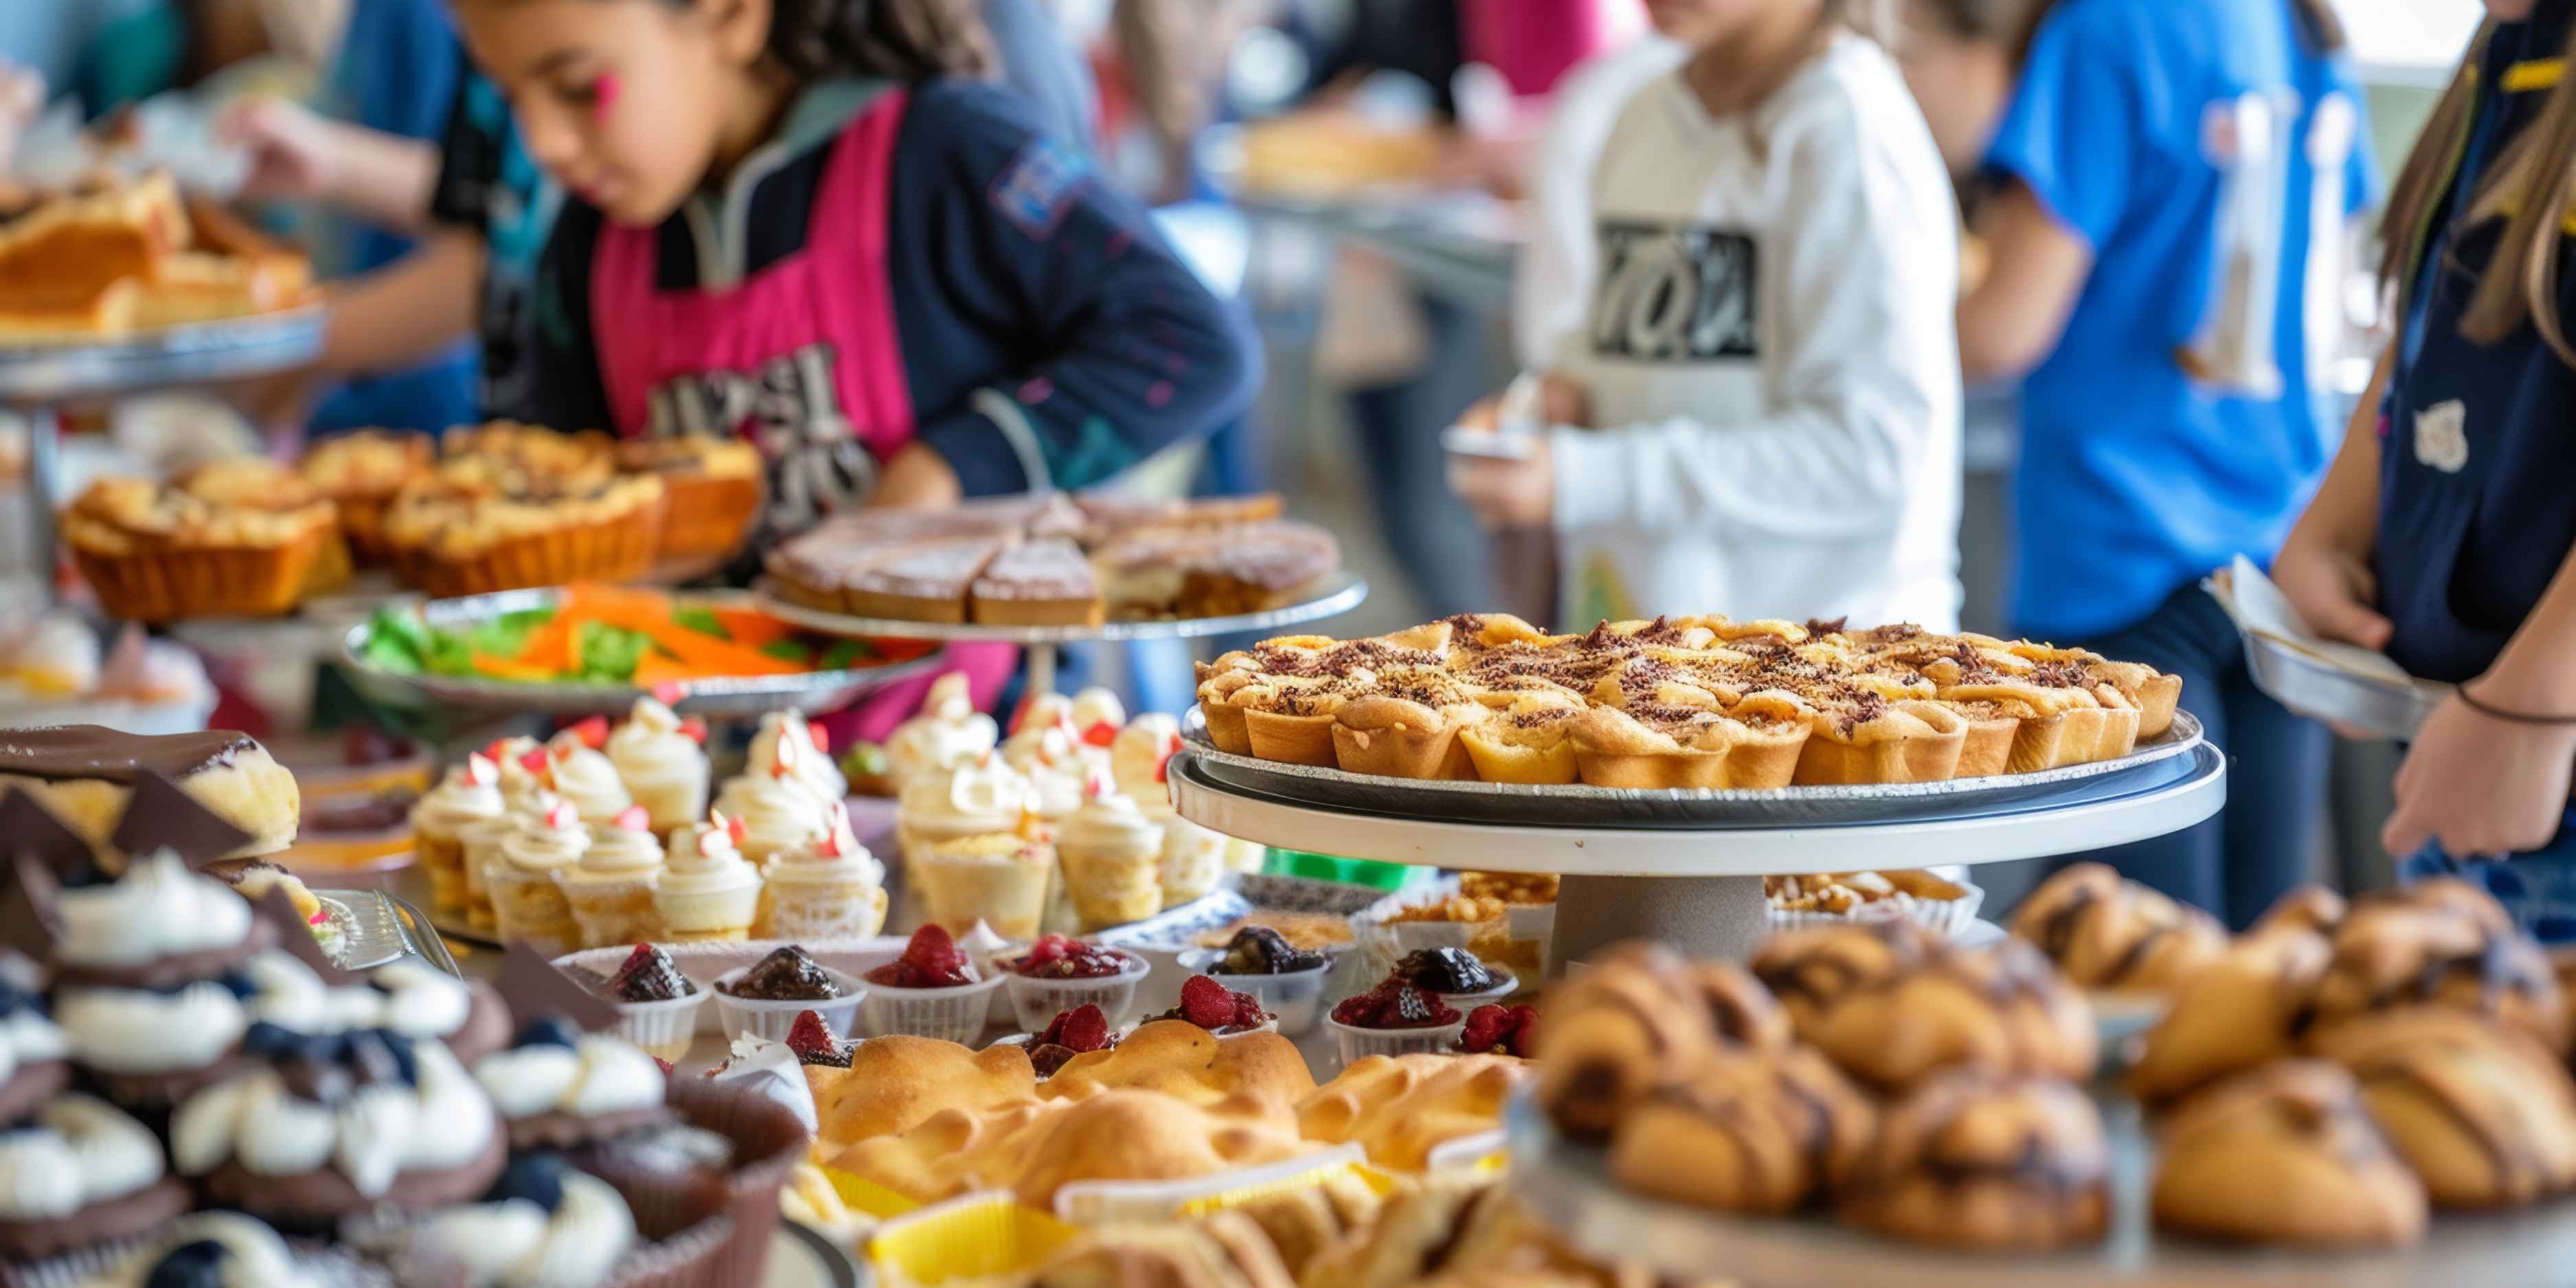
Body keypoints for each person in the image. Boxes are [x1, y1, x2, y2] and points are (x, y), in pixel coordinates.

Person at [1904, 0, 2373, 927]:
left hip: (2123, 567)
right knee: (2257, 972)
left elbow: (1999, 330)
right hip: (2277, 564)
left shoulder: (2110, 29)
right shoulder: (2300, 30)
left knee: (2136, 987)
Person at [1449, 0, 1964, 634]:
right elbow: (1642, 347)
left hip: (1833, 682)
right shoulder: (1638, 116)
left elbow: (1871, 456)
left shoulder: (1849, 129)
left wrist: (1584, 475)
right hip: (1654, 666)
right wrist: (1550, 402)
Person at [2274, 0, 2576, 943]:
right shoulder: (2514, 41)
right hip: (2467, 743)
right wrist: (2327, 531)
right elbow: (2440, 319)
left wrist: (2529, 705)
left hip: (2529, 745)